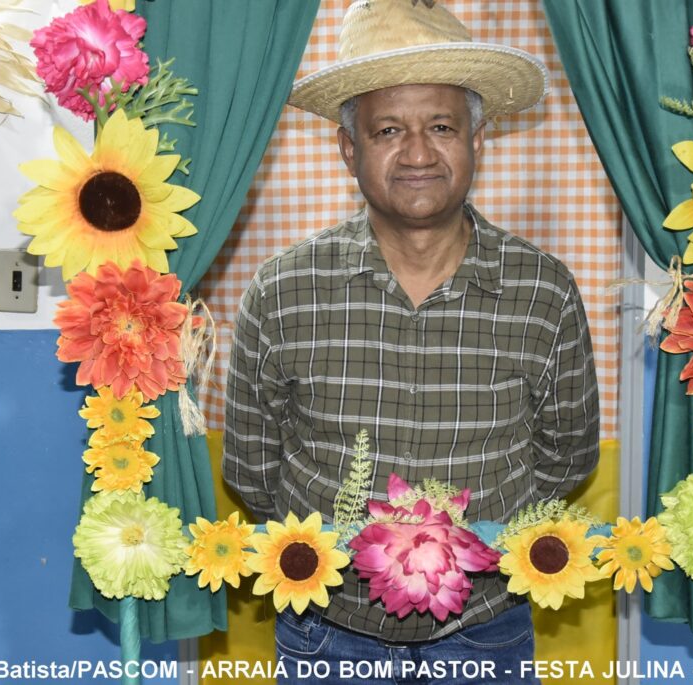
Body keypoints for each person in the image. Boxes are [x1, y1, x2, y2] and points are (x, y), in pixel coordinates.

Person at [224, 1, 599, 682]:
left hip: (486, 631)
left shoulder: (543, 292)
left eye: (442, 127)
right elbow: (253, 468)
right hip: (326, 635)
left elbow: (567, 455)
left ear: (477, 140)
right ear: (350, 148)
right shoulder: (282, 292)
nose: (419, 153)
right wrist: (341, 553)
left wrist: (477, 546)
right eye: (389, 129)